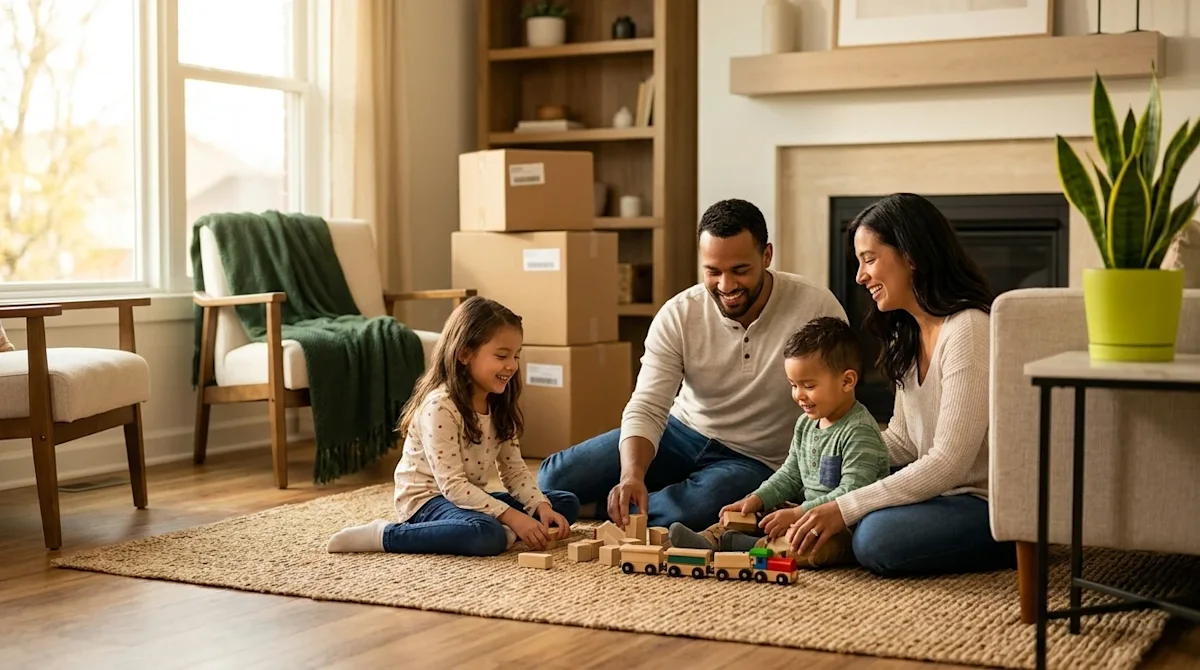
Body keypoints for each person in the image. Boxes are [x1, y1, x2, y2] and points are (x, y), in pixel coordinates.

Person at [536, 198, 847, 532]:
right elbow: (648, 404)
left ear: (767, 256)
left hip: (754, 459)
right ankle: (637, 499)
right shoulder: (680, 313)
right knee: (553, 477)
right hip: (681, 432)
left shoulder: (816, 307)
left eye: (740, 270)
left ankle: (604, 508)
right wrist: (631, 475)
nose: (726, 286)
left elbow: (839, 404)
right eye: (713, 272)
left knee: (698, 509)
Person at [786, 192, 1015, 577]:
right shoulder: (905, 334)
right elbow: (904, 440)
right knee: (821, 485)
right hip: (940, 494)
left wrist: (845, 507)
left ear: (911, 256)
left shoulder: (969, 329)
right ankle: (824, 531)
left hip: (984, 504)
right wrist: (831, 453)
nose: (860, 277)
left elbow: (949, 463)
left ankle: (839, 538)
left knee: (876, 538)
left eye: (869, 259)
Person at [326, 296, 580, 556]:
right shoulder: (440, 406)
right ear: (465, 354)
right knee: (485, 535)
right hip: (427, 502)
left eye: (516, 355)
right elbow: (453, 486)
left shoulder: (498, 405)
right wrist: (513, 518)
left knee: (563, 504)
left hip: (467, 499)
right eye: (502, 355)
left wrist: (540, 507)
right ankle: (387, 535)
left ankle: (499, 528)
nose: (512, 365)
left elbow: (513, 470)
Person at [668, 316, 889, 569]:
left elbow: (851, 492)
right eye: (793, 385)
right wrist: (758, 499)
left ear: (847, 381)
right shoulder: (806, 424)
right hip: (806, 512)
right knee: (758, 512)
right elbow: (790, 474)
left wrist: (797, 514)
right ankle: (710, 539)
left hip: (845, 526)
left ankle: (747, 547)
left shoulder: (859, 431)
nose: (798, 395)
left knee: (809, 545)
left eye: (808, 386)